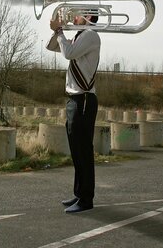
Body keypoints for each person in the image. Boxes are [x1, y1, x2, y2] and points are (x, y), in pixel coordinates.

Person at [46, 12, 101, 214]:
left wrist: (59, 30)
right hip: (75, 99)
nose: (74, 15)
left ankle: (86, 199)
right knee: (76, 150)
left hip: (83, 99)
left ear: (87, 16)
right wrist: (58, 30)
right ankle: (79, 193)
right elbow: (53, 47)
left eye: (78, 13)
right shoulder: (80, 36)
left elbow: (68, 53)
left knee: (83, 150)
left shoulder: (90, 34)